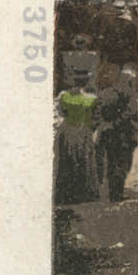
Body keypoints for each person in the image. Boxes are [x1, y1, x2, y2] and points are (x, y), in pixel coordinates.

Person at [54, 73, 99, 205]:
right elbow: (94, 117)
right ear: (86, 82)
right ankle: (83, 193)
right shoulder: (91, 99)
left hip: (68, 130)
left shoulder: (64, 96)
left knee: (67, 159)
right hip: (83, 131)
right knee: (83, 159)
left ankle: (67, 193)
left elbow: (62, 112)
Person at [93, 75, 138, 202]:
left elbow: (96, 112)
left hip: (107, 134)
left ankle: (113, 192)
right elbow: (130, 113)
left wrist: (104, 125)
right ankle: (116, 194)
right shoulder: (129, 94)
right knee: (123, 164)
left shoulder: (104, 93)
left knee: (112, 163)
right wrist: (115, 124)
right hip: (123, 135)